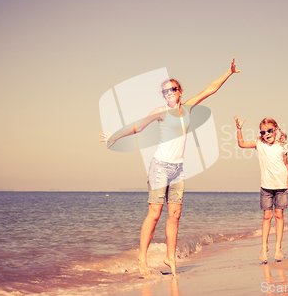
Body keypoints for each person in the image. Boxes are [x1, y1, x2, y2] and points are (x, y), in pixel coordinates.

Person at [100, 58, 241, 278]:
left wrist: (229, 72)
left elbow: (210, 89)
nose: (169, 93)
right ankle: (142, 258)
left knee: (175, 215)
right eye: (165, 91)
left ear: (180, 91)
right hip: (160, 167)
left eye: (172, 90)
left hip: (178, 169)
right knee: (154, 214)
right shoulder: (161, 111)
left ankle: (170, 257)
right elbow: (138, 126)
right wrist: (115, 136)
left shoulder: (188, 108)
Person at [233, 116, 288, 263]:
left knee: (279, 216)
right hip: (266, 186)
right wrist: (239, 129)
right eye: (263, 132)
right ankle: (264, 247)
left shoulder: (283, 146)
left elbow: (286, 164)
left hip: (281, 186)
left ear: (276, 129)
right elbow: (242, 144)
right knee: (266, 217)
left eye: (269, 131)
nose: (267, 134)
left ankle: (278, 247)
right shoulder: (260, 143)